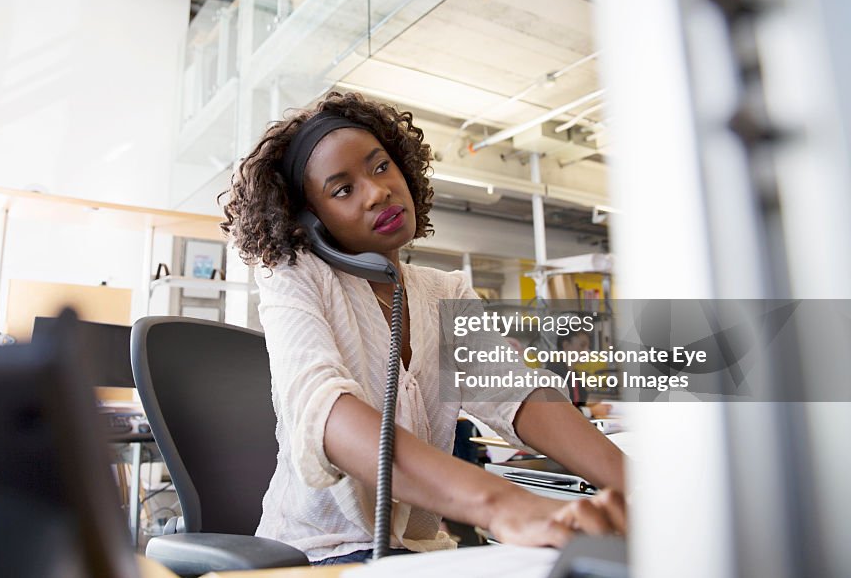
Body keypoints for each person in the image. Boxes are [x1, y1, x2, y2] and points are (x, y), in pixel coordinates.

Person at [220, 92, 626, 565]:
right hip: (319, 555)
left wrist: (636, 486)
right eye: (342, 190)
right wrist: (504, 505)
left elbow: (518, 394)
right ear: (310, 222)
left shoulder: (445, 291)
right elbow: (324, 411)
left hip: (421, 555)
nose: (377, 192)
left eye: (380, 167)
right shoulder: (295, 278)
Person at [547, 330, 614, 419]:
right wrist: (592, 411)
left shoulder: (573, 373)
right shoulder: (554, 373)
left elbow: (577, 402)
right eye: (582, 345)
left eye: (588, 346)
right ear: (566, 345)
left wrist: (593, 405)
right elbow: (560, 412)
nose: (587, 351)